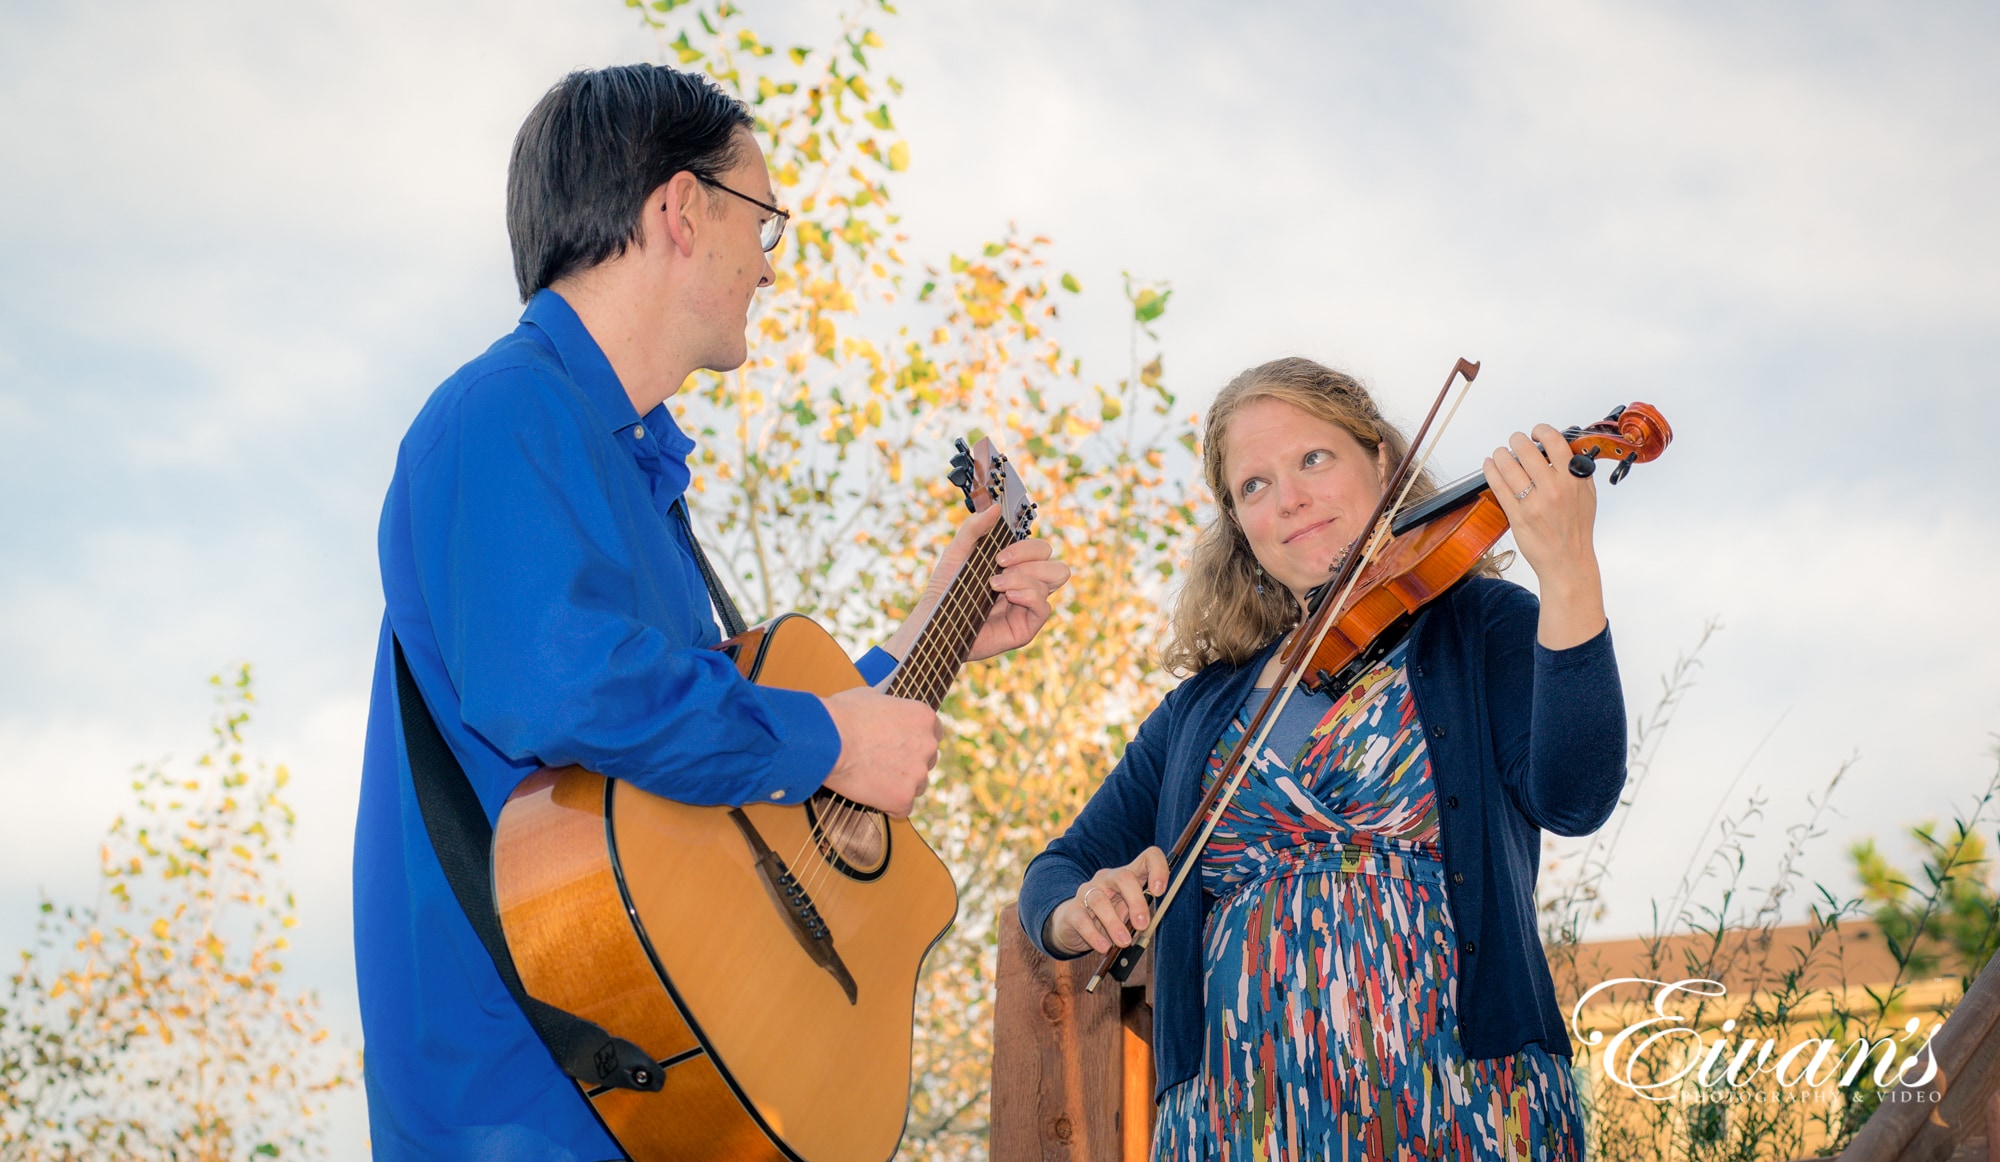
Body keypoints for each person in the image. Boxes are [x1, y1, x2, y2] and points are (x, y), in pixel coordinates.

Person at [353, 64, 1069, 1159]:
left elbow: (718, 774)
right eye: (763, 221)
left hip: (649, 1096)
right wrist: (830, 734)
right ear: (679, 211)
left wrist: (938, 634)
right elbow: (571, 684)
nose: (769, 269)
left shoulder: (634, 470)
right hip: (528, 1105)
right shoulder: (501, 414)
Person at [1017, 357, 1626, 1159]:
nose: (1291, 499)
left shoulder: (1478, 627)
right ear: (1240, 525)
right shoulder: (1203, 709)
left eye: (1313, 459)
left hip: (1462, 1097)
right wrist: (1077, 909)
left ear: (1381, 461)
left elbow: (1576, 797)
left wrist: (1571, 572)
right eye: (1255, 486)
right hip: (1233, 1117)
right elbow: (1057, 873)